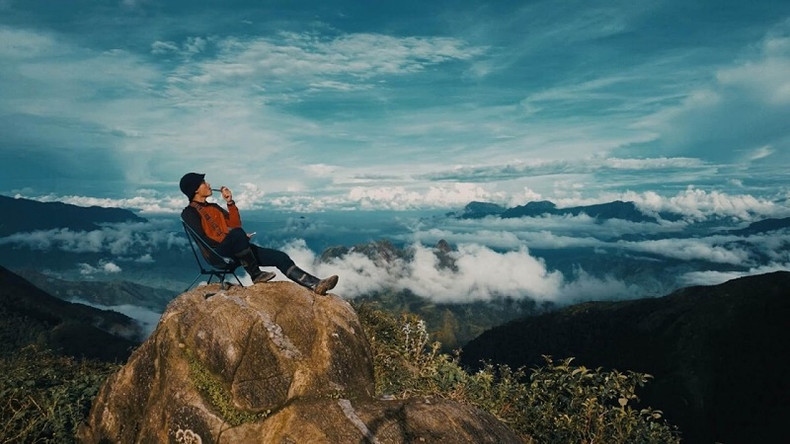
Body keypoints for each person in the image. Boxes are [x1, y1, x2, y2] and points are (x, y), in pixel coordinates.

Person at [179, 172, 339, 295]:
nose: (208, 184)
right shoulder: (189, 213)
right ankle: (256, 275)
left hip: (234, 249)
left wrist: (229, 202)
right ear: (194, 189)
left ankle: (315, 285)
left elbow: (234, 224)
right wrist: (236, 239)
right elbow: (205, 240)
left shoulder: (213, 207)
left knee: (280, 257)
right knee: (237, 234)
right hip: (218, 255)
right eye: (203, 183)